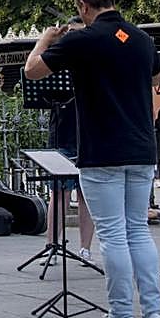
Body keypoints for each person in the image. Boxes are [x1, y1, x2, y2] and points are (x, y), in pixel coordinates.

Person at [25, 0, 160, 318]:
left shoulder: (84, 38)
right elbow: (158, 77)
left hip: (103, 148)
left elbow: (32, 70)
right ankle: (153, 316)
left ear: (83, 7)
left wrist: (46, 39)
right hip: (141, 148)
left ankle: (120, 316)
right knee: (138, 230)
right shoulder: (142, 38)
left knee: (114, 234)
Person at [47, 94, 96, 264]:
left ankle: (86, 249)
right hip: (63, 132)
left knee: (87, 195)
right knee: (60, 193)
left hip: (90, 133)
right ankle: (52, 246)